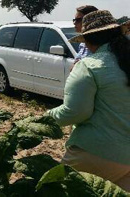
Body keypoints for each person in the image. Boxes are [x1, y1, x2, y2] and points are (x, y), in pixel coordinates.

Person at [48, 10, 130, 191]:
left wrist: (43, 118)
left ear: (88, 40)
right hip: (127, 159)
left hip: (96, 152)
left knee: (54, 189)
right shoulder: (124, 61)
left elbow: (75, 112)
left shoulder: (88, 65)